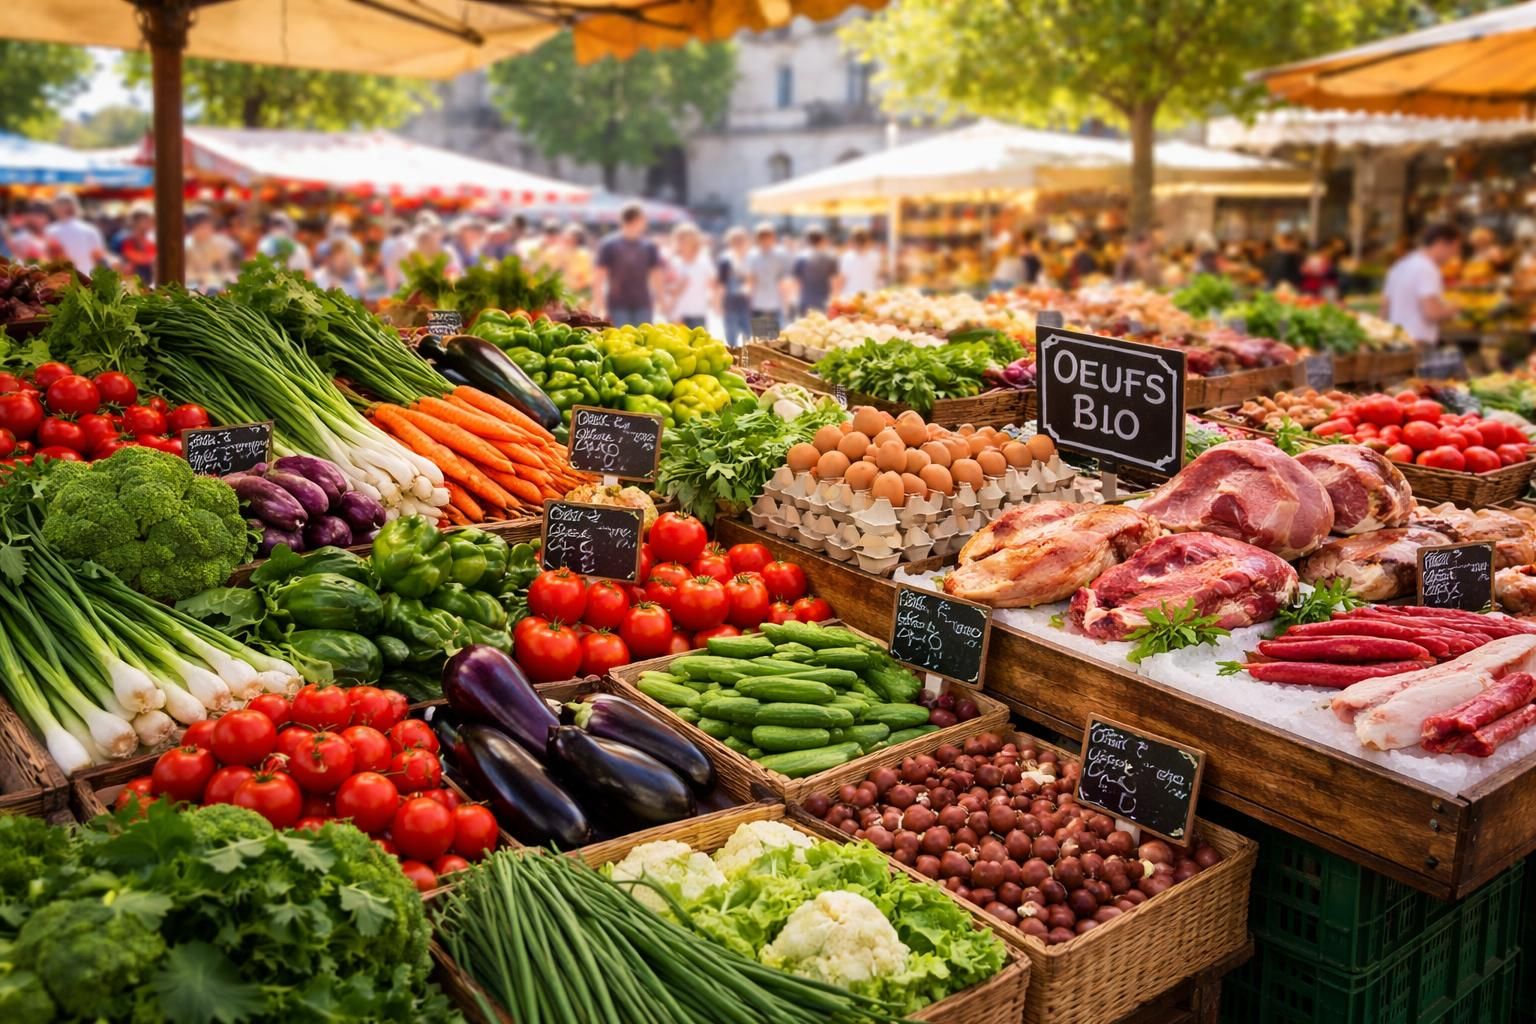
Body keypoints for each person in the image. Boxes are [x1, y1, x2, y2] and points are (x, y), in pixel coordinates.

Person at [1383, 223, 1462, 346]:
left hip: (1396, 339)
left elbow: (1385, 307)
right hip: (1418, 341)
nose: (1455, 254)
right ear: (1441, 243)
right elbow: (1431, 312)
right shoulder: (1428, 269)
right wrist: (1454, 309)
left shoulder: (1401, 265)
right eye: (1455, 248)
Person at [594, 203, 662, 326]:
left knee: (642, 342)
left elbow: (656, 275)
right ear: (637, 220)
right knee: (621, 342)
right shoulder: (609, 245)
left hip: (642, 305)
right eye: (643, 219)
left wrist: (659, 302)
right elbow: (599, 278)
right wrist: (601, 307)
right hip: (617, 307)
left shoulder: (649, 246)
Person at [662, 223, 715, 329]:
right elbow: (666, 289)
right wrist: (678, 287)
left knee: (698, 345)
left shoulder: (704, 262)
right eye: (679, 239)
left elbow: (712, 285)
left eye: (684, 239)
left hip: (698, 314)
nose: (681, 243)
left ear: (694, 241)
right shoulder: (673, 263)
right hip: (677, 316)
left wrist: (713, 300)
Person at [744, 222, 791, 337]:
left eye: (768, 237)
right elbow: (750, 278)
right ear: (758, 239)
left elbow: (784, 279)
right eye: (762, 237)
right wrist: (749, 298)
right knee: (760, 339)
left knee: (775, 340)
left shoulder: (780, 254)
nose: (765, 240)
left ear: (773, 237)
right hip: (758, 303)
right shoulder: (752, 255)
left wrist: (786, 302)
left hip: (776, 303)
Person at [183, 208, 237, 293]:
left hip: (212, 282)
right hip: (191, 284)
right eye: (203, 227)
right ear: (194, 228)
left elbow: (225, 267)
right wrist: (202, 280)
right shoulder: (187, 245)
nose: (207, 230)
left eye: (209, 227)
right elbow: (186, 273)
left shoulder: (216, 243)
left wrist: (230, 277)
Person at [45, 194, 105, 270]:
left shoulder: (51, 231)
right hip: (88, 277)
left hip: (62, 278)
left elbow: (48, 258)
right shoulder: (90, 229)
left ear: (56, 209)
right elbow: (99, 257)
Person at [717, 226, 752, 347]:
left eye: (741, 240)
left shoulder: (752, 258)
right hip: (730, 303)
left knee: (751, 338)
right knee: (731, 339)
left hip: (749, 305)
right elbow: (721, 283)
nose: (738, 243)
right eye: (735, 240)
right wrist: (719, 304)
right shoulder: (725, 260)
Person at [792, 227, 840, 315]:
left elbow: (797, 282)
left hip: (805, 301)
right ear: (823, 239)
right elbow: (834, 282)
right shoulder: (830, 258)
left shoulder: (800, 258)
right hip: (825, 302)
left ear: (808, 240)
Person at [837, 227, 882, 298]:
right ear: (868, 241)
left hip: (850, 295)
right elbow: (878, 277)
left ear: (852, 242)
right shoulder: (876, 257)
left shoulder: (846, 257)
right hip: (870, 295)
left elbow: (843, 279)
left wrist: (837, 294)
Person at [118, 206, 157, 283]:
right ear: (136, 223)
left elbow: (152, 258)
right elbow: (129, 256)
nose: (149, 224)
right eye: (146, 221)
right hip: (130, 282)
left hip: (147, 281)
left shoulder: (151, 241)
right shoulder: (124, 239)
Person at [379, 220, 413, 293]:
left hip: (390, 275)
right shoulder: (406, 241)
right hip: (404, 276)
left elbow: (382, 259)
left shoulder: (386, 243)